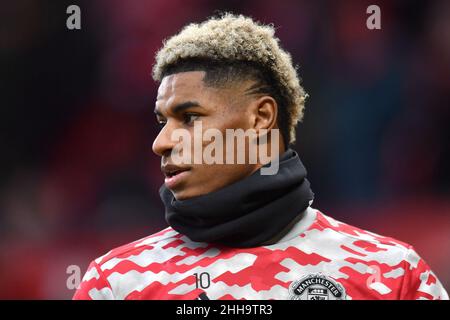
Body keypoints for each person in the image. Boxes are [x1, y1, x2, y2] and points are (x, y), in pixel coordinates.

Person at [73, 14, 448, 300]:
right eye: (162, 120)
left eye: (189, 117)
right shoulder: (117, 284)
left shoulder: (391, 274)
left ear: (261, 118)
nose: (161, 142)